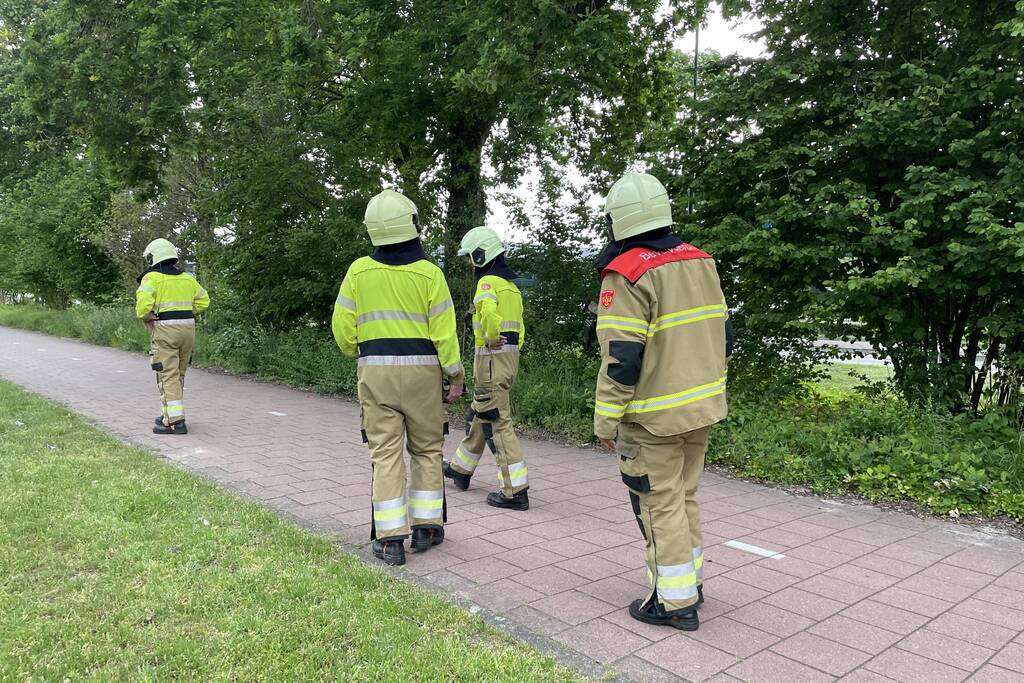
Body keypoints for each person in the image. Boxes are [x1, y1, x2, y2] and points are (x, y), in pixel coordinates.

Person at [593, 172, 732, 631]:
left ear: (618, 220)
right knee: (684, 496)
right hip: (702, 408)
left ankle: (673, 602)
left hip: (652, 416)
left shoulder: (628, 274)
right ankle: (690, 583)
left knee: (659, 504)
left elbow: (621, 357)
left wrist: (606, 420)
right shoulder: (700, 261)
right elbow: (724, 336)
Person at [332, 189, 464, 567]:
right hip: (424, 375)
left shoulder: (359, 271)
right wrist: (455, 375)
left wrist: (360, 350)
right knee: (427, 449)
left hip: (376, 373)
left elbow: (342, 329)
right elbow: (445, 334)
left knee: (385, 454)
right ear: (413, 225)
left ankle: (390, 541)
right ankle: (427, 526)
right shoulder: (430, 274)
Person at [442, 226, 529, 510]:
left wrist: (491, 338)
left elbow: (489, 315)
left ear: (481, 255)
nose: (470, 263)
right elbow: (521, 328)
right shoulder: (512, 286)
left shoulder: (487, 283)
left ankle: (515, 491)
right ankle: (460, 468)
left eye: (471, 257)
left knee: (497, 422)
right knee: (481, 412)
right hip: (509, 360)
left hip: (490, 360)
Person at [135, 238, 210, 435]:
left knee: (167, 374)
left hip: (165, 329)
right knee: (178, 374)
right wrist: (185, 311)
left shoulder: (151, 278)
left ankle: (174, 422)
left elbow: (142, 309)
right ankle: (169, 413)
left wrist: (150, 316)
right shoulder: (187, 278)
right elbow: (204, 302)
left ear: (153, 257)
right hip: (188, 329)